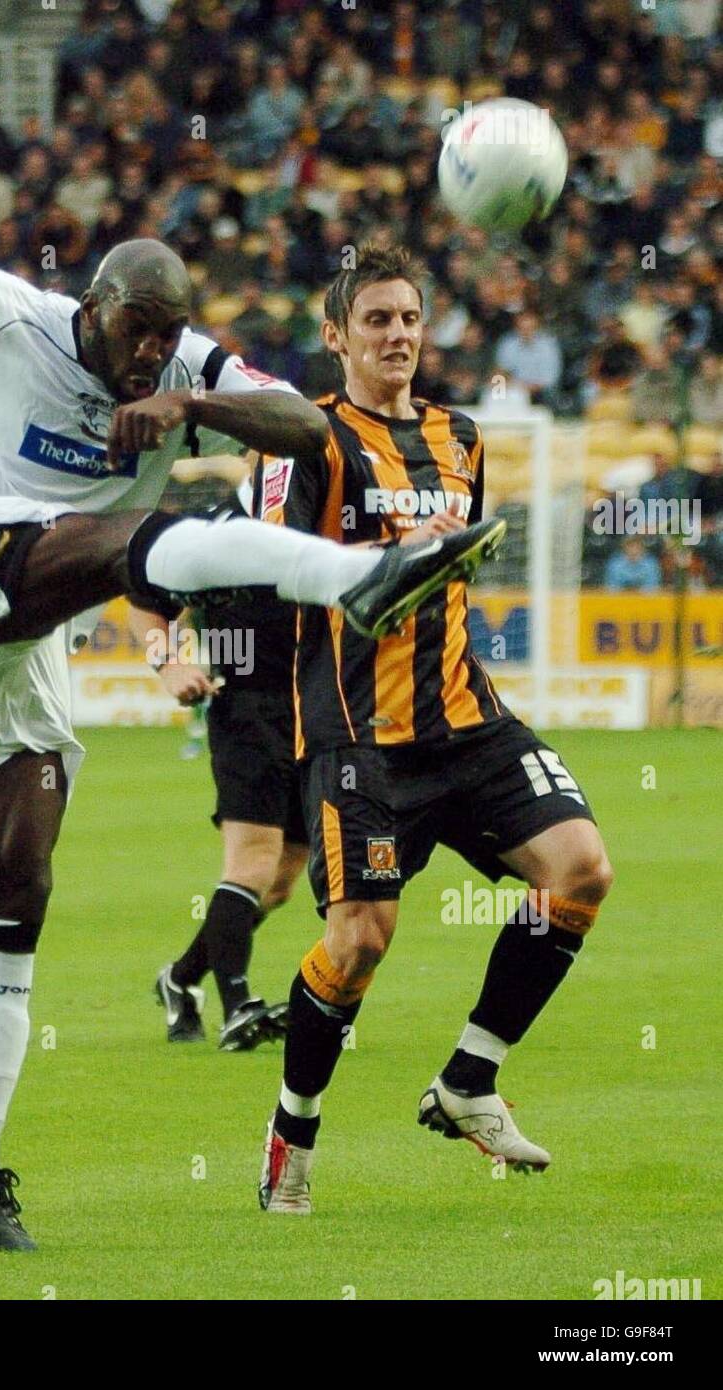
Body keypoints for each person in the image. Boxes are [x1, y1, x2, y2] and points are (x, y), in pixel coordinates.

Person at [0, 237, 503, 1252]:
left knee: (16, 877)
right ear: (95, 303)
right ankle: (355, 577)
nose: (151, 351)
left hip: (15, 633)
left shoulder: (182, 369)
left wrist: (192, 402)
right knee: (133, 541)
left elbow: (302, 424)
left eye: (168, 334)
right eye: (138, 330)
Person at [254, 244, 612, 1214]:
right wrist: (385, 551)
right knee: (359, 942)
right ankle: (294, 1129)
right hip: (358, 736)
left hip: (468, 719)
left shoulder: (461, 437)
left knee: (581, 869)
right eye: (375, 319)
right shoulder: (306, 440)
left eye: (409, 317)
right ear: (336, 335)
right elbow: (271, 565)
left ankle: (468, 1080)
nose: (397, 334)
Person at [141, 478, 307, 1052]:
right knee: (253, 862)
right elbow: (145, 596)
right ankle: (238, 1004)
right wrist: (167, 663)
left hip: (320, 713)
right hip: (247, 708)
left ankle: (180, 978)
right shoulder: (212, 530)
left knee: (284, 879)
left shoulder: (328, 511)